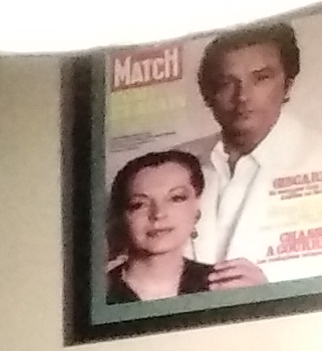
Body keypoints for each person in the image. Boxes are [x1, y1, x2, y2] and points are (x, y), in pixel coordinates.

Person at [192, 23, 322, 283]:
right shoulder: (174, 165)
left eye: (261, 78)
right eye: (226, 83)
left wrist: (269, 295)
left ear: (288, 85)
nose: (242, 96)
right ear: (208, 95)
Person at [103, 147, 216, 303]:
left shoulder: (223, 284)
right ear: (122, 216)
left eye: (176, 198)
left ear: (197, 208)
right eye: (139, 204)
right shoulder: (95, 294)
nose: (158, 214)